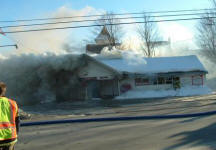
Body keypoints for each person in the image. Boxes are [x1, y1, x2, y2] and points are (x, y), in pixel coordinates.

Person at [0, 82, 19, 150]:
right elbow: (17, 121)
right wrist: (16, 135)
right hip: (11, 138)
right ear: (4, 91)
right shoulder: (13, 103)